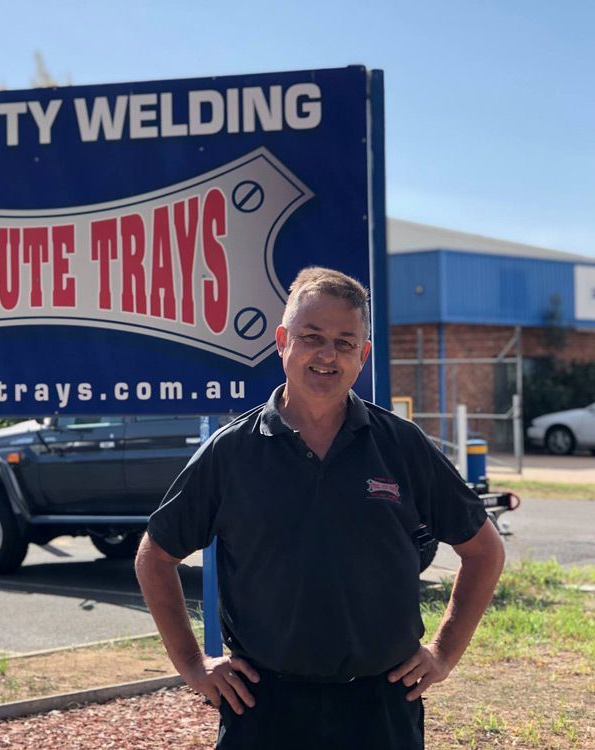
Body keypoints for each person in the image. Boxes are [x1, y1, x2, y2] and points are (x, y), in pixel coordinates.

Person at [135, 267, 505, 749]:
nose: (327, 354)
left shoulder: (401, 445)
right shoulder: (233, 452)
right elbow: (155, 557)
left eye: (345, 342)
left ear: (363, 355)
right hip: (264, 707)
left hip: (381, 706)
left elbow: (485, 551)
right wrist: (191, 663)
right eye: (311, 337)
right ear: (283, 341)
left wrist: (443, 653)